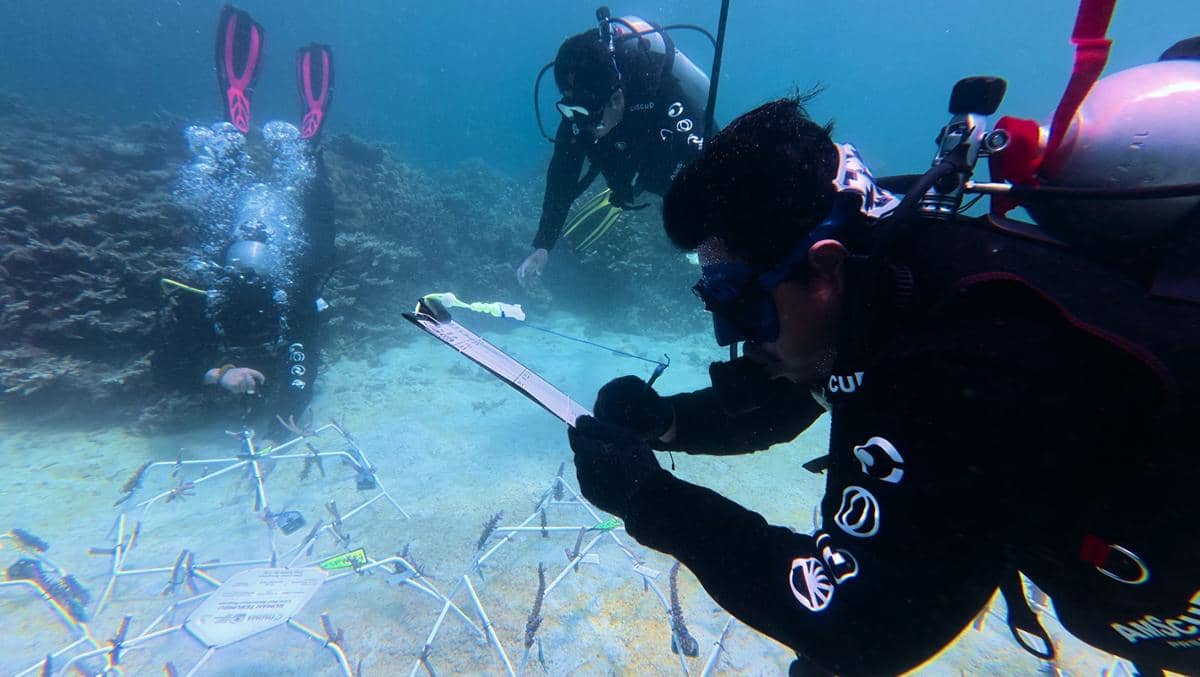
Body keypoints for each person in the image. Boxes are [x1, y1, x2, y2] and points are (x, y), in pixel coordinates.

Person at [566, 69, 1200, 676]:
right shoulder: (896, 278)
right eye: (714, 304)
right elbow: (797, 401)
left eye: (738, 303)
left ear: (828, 264)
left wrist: (649, 500)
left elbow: (863, 627)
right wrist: (669, 422)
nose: (730, 336)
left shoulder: (961, 361)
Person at [153, 6, 335, 434]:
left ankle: (277, 146)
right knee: (318, 235)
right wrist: (221, 374)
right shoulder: (204, 293)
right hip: (281, 262)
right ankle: (304, 151)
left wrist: (285, 413)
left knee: (315, 237)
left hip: (285, 266)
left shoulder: (287, 294)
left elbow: (301, 359)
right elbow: (165, 366)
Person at [516, 12, 711, 284]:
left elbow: (711, 159)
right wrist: (543, 245)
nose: (583, 124)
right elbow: (561, 178)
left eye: (590, 114)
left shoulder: (659, 91)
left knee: (682, 183)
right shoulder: (580, 111)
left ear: (616, 98)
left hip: (665, 156)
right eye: (571, 109)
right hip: (631, 166)